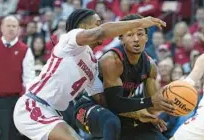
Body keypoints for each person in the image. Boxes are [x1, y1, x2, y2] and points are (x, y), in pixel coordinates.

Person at [13, 9, 167, 140]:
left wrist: (139, 114)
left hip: (53, 112)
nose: (100, 26)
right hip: (33, 105)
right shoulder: (69, 41)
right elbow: (100, 32)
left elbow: (104, 100)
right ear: (83, 26)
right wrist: (140, 23)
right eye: (97, 23)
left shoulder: (92, 63)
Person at [74, 14, 175, 140]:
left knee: (151, 128)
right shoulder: (112, 60)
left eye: (140, 34)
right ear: (121, 38)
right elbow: (114, 104)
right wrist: (142, 111)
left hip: (120, 112)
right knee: (111, 122)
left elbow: (152, 107)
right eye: (130, 35)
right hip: (87, 109)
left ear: (147, 37)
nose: (136, 39)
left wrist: (171, 103)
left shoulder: (150, 66)